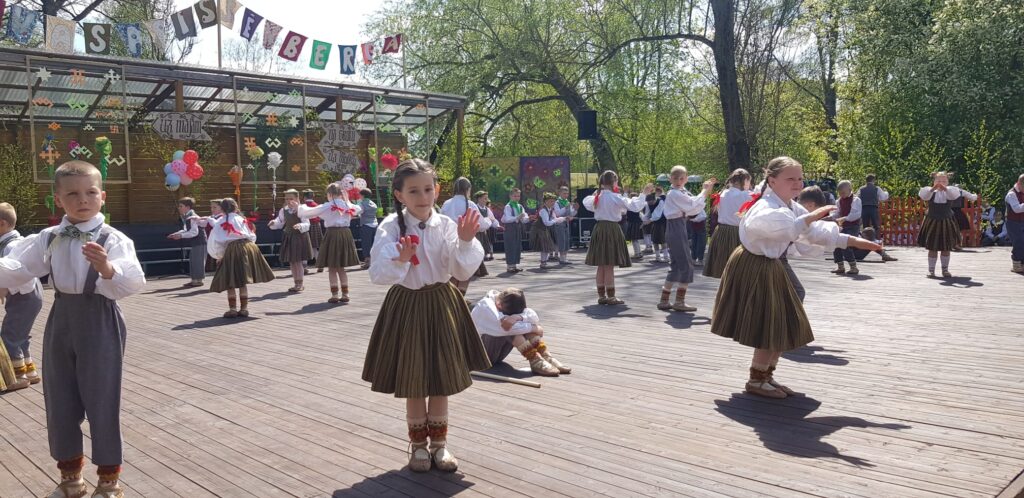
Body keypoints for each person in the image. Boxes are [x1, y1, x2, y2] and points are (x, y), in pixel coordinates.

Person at [0, 161, 146, 498]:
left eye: (91, 192)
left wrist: (107, 268)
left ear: (103, 197)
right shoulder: (49, 238)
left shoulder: (114, 238)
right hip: (61, 315)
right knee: (59, 397)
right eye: (73, 194)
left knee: (102, 398)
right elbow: (17, 268)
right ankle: (71, 479)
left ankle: (109, 480)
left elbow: (132, 280)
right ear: (58, 200)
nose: (83, 199)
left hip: (99, 317)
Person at [711, 157, 879, 399]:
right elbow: (782, 228)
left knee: (782, 319)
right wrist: (811, 217)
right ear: (772, 180)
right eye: (791, 178)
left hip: (771, 265)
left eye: (800, 178)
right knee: (772, 321)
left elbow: (813, 232)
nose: (798, 183)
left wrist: (852, 240)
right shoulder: (765, 206)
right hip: (755, 266)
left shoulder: (789, 205)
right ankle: (757, 380)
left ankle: (765, 376)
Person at [362, 158, 491, 473]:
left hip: (441, 302)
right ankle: (419, 448)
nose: (422, 197)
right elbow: (378, 274)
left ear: (437, 190)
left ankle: (440, 446)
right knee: (415, 378)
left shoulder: (447, 224)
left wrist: (465, 240)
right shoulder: (389, 227)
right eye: (414, 191)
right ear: (399, 195)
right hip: (407, 305)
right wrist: (400, 258)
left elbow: (461, 270)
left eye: (428, 189)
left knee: (441, 378)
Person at [582, 171, 652, 305]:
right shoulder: (615, 197)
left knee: (601, 265)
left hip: (599, 229)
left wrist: (598, 193)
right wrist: (644, 193)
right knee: (608, 265)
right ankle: (611, 296)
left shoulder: (597, 197)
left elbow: (588, 203)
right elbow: (635, 206)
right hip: (611, 229)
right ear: (614, 182)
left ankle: (601, 296)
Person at [470, 287, 570, 376]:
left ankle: (545, 356)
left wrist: (518, 317)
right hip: (479, 357)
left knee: (522, 326)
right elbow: (505, 328)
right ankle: (535, 360)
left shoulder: (506, 301)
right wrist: (535, 328)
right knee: (511, 330)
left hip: (494, 355)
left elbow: (532, 316)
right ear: (499, 305)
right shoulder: (485, 307)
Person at [657, 166, 714, 312]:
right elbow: (692, 206)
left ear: (686, 179)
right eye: (675, 178)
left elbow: (693, 205)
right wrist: (705, 191)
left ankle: (664, 300)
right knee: (687, 265)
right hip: (676, 227)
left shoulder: (680, 192)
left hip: (679, 225)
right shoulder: (674, 193)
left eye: (681, 178)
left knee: (676, 265)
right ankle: (679, 301)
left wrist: (704, 190)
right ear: (670, 179)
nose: (678, 181)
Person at [208, 198, 275, 317]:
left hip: (233, 249)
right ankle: (244, 309)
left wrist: (220, 256)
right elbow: (252, 235)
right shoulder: (242, 219)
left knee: (231, 280)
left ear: (222, 209)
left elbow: (217, 241)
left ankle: (233, 309)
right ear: (235, 207)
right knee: (242, 280)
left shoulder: (221, 221)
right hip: (248, 247)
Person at [298, 184, 363, 303]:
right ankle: (345, 294)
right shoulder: (347, 205)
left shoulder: (328, 205)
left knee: (332, 267)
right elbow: (358, 209)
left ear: (330, 194)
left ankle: (334, 295)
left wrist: (300, 206)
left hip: (332, 234)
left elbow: (308, 213)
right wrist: (347, 200)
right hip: (345, 234)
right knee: (341, 267)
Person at [0, 202, 40, 392]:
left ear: (2, 224)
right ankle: (29, 371)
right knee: (21, 334)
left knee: (10, 335)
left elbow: (21, 274)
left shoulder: (10, 246)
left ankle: (18, 376)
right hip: (29, 296)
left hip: (24, 296)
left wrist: (4, 288)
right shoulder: (14, 242)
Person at [441, 177, 490, 296]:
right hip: (465, 241)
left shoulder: (447, 203)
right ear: (468, 189)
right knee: (465, 270)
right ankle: (459, 298)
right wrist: (489, 221)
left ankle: (451, 296)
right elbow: (480, 225)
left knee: (451, 271)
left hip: (447, 242)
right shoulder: (470, 204)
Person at [703, 169, 753, 278]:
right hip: (738, 233)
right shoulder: (747, 195)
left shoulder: (722, 193)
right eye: (749, 181)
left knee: (723, 267)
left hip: (721, 232)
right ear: (744, 180)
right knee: (740, 270)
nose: (750, 185)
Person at [917, 172, 966, 278]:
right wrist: (933, 188)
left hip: (946, 220)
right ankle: (931, 270)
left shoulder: (951, 191)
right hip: (932, 220)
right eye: (938, 181)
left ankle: (945, 270)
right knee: (932, 247)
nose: (941, 183)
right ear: (934, 181)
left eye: (944, 181)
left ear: (948, 182)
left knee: (946, 247)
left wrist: (945, 188)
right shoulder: (929, 191)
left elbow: (954, 196)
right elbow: (924, 196)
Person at [269, 189, 314, 293]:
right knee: (292, 261)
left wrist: (301, 225)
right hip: (289, 236)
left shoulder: (301, 209)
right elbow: (280, 222)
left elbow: (307, 224)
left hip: (299, 236)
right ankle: (296, 283)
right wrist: (273, 223)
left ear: (297, 199)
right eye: (287, 199)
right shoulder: (283, 210)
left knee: (298, 261)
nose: (289, 201)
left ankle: (300, 283)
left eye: (291, 199)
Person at [166, 197, 207, 288]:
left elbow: (194, 232)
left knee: (198, 261)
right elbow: (185, 230)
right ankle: (194, 280)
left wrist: (180, 236)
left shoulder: (192, 217)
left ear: (187, 207)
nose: (179, 208)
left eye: (181, 206)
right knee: (193, 260)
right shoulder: (187, 216)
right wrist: (175, 234)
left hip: (200, 242)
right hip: (195, 243)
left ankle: (198, 281)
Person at [830, 180, 863, 275]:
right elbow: (837, 213)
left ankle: (853, 266)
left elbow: (856, 214)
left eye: (843, 193)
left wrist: (845, 218)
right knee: (836, 243)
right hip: (844, 226)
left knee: (845, 243)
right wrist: (832, 217)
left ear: (850, 190)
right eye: (840, 193)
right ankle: (840, 266)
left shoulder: (856, 200)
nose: (841, 195)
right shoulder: (839, 201)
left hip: (853, 226)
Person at [501, 188, 529, 273]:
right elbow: (508, 218)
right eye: (515, 196)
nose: (517, 198)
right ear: (510, 196)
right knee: (510, 246)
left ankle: (514, 265)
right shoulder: (508, 206)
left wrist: (527, 218)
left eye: (518, 196)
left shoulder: (519, 206)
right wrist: (517, 217)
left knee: (517, 246)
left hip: (517, 228)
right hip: (510, 228)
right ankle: (510, 266)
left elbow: (524, 217)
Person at [532, 193, 563, 270]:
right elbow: (547, 222)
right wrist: (555, 220)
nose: (552, 203)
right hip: (539, 229)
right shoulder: (543, 210)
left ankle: (544, 262)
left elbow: (555, 218)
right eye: (551, 201)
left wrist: (564, 218)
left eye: (553, 201)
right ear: (545, 201)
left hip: (545, 229)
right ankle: (543, 263)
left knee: (546, 246)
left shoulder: (551, 210)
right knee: (544, 246)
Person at [302, 189, 325, 274]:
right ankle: (320, 265)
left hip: (307, 226)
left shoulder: (303, 206)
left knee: (305, 247)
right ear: (313, 196)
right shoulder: (316, 205)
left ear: (304, 197)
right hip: (316, 226)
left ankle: (304, 266)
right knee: (315, 247)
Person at [552, 185, 577, 264]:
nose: (566, 195)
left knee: (566, 240)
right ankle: (561, 259)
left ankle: (564, 258)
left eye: (567, 193)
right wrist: (565, 208)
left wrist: (575, 210)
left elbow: (571, 213)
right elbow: (558, 213)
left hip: (566, 223)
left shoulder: (567, 202)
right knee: (561, 240)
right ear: (559, 193)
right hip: (559, 224)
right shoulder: (557, 203)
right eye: (564, 193)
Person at [1005, 174, 1024, 272]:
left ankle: (1022, 264)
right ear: (1020, 184)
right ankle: (1016, 265)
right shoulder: (1011, 194)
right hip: (1013, 222)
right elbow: (1016, 209)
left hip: (1022, 221)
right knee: (1019, 242)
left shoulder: (1021, 191)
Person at [358, 189, 378, 269]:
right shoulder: (373, 203)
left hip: (366, 225)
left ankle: (367, 262)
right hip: (375, 224)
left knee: (366, 244)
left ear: (362, 195)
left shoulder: (361, 204)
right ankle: (374, 261)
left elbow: (358, 212)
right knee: (373, 244)